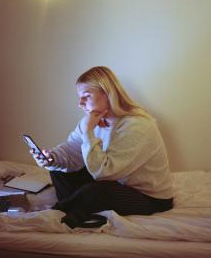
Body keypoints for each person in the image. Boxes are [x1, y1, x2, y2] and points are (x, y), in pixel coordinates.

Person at [31, 66, 173, 228]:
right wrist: (51, 158)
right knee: (60, 169)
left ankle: (62, 210)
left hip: (149, 198)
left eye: (86, 96)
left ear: (106, 93)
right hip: (116, 181)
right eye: (79, 97)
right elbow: (72, 150)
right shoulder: (92, 121)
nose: (80, 103)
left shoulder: (138, 126)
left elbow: (104, 173)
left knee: (99, 190)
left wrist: (88, 133)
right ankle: (78, 207)